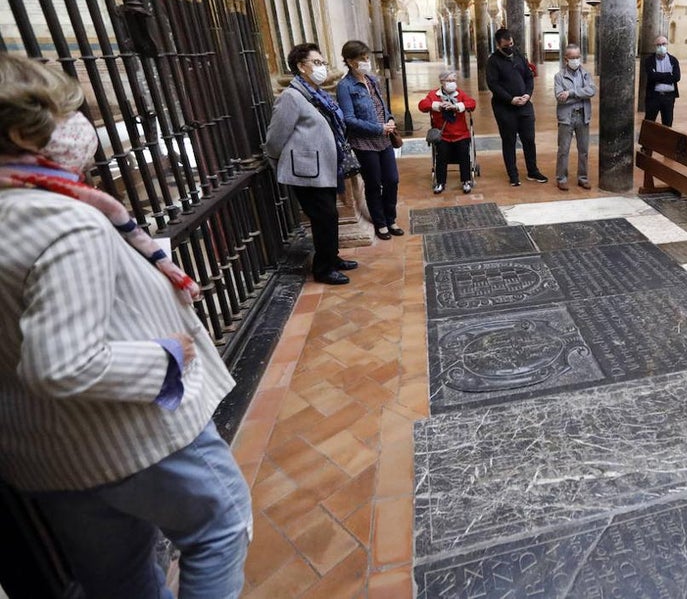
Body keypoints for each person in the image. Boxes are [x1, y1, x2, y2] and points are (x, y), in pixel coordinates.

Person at [0, 54, 251, 599]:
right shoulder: (63, 221)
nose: (79, 124)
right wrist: (166, 358)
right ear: (22, 131)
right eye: (64, 111)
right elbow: (62, 364)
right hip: (131, 432)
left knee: (117, 578)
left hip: (44, 451)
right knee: (220, 530)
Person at [265, 42, 359, 285]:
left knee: (330, 215)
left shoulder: (316, 94)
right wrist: (279, 162)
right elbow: (275, 137)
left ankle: (332, 258)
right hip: (307, 170)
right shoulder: (291, 97)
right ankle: (323, 269)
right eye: (316, 63)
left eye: (323, 63)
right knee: (323, 217)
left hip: (324, 168)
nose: (322, 67)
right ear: (301, 66)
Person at [336, 40, 403, 241]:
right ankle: (380, 223)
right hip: (364, 143)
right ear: (350, 61)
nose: (366, 62)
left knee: (392, 180)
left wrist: (389, 119)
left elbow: (382, 106)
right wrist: (378, 128)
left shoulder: (371, 80)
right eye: (362, 59)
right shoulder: (345, 86)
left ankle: (391, 219)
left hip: (384, 140)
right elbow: (348, 119)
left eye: (367, 58)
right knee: (373, 183)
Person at [486, 28, 546, 186]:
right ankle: (513, 174)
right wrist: (510, 99)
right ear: (498, 45)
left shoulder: (519, 56)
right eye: (506, 46)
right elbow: (493, 85)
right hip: (504, 108)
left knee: (529, 139)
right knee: (509, 141)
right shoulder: (493, 61)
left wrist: (527, 94)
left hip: (524, 106)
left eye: (511, 44)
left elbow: (529, 77)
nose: (509, 47)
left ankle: (532, 171)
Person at [419, 70, 477, 194]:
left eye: (454, 80)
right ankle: (440, 182)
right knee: (441, 155)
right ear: (442, 81)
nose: (452, 83)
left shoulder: (460, 94)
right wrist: (438, 105)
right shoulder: (434, 94)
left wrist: (457, 106)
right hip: (442, 135)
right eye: (449, 80)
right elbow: (422, 105)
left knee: (464, 154)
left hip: (461, 134)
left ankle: (466, 181)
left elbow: (472, 104)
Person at [554, 43, 596, 191]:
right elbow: (560, 97)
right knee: (563, 149)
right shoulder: (559, 76)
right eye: (572, 57)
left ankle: (583, 178)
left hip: (583, 116)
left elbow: (592, 91)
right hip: (567, 117)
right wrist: (581, 94)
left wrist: (571, 93)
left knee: (583, 150)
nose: (576, 60)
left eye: (577, 57)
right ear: (566, 59)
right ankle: (561, 178)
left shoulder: (586, 74)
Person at [640, 34, 681, 126]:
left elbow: (676, 77)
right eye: (658, 45)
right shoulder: (649, 60)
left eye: (663, 44)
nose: (661, 46)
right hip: (654, 97)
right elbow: (652, 76)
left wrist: (658, 76)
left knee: (667, 123)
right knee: (649, 122)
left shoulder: (673, 60)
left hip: (669, 97)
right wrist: (669, 75)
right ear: (655, 46)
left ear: (667, 45)